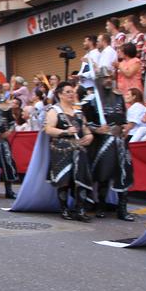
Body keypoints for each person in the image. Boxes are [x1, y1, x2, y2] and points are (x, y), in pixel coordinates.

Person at [83, 68, 135, 220]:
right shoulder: (92, 100)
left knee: (124, 173)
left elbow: (123, 117)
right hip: (103, 142)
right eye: (105, 77)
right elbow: (86, 123)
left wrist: (125, 127)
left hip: (119, 140)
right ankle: (101, 205)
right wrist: (97, 129)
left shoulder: (119, 97)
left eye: (110, 77)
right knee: (103, 174)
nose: (108, 80)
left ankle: (122, 209)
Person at [45, 82, 93, 221]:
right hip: (62, 149)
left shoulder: (78, 112)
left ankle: (80, 210)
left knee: (81, 179)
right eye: (68, 92)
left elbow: (86, 130)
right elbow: (49, 129)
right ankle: (64, 209)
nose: (72, 94)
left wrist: (89, 136)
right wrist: (65, 131)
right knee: (64, 180)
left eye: (72, 91)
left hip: (79, 149)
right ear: (60, 94)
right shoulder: (54, 111)